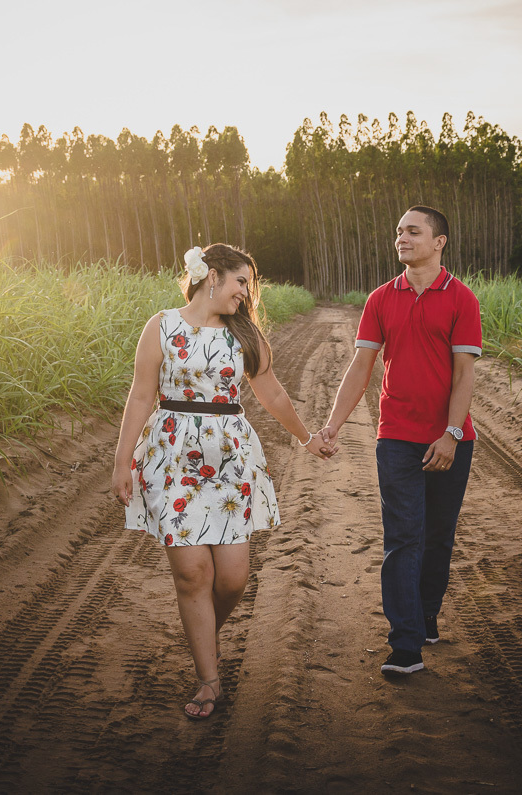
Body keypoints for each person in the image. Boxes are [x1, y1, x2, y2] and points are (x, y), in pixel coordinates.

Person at [112, 243, 332, 719]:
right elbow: (141, 395)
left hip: (230, 460)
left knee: (232, 580)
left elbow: (270, 391)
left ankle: (203, 636)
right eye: (240, 283)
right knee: (193, 574)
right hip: (171, 458)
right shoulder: (162, 326)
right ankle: (209, 679)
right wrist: (121, 461)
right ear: (212, 276)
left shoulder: (244, 334)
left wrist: (306, 437)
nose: (245, 294)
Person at [319, 205, 482, 676]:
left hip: (450, 438)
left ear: (439, 242)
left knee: (437, 539)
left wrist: (451, 436)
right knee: (403, 537)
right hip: (395, 437)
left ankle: (426, 609)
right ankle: (406, 644)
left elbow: (464, 374)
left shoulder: (461, 299)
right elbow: (360, 367)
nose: (402, 239)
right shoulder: (380, 299)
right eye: (398, 232)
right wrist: (333, 424)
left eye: (413, 231)